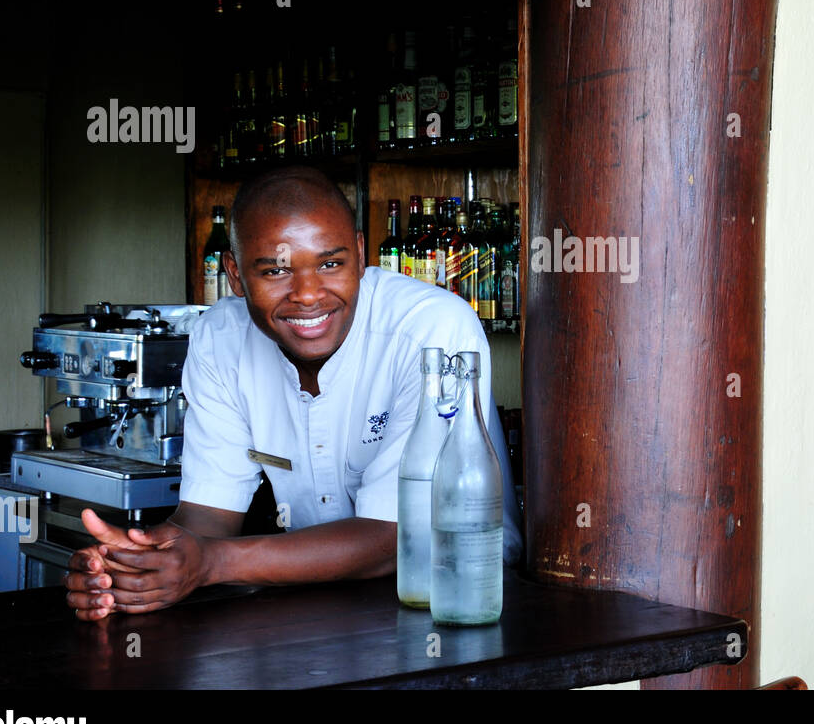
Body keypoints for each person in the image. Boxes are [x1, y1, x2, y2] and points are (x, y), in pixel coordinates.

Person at [65, 166, 522, 620]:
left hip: (453, 605)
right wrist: (133, 564)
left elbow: (400, 538)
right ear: (236, 274)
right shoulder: (220, 338)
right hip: (314, 604)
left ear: (360, 255)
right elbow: (207, 519)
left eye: (330, 263)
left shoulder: (432, 329)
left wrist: (211, 562)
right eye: (276, 271)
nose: (307, 295)